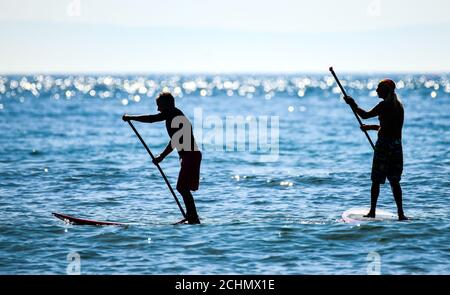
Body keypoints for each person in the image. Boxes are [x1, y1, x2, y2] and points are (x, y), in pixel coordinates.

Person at [122, 92, 202, 224]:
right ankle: (192, 217)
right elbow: (174, 140)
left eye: (159, 106)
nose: (158, 109)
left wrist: (131, 117)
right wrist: (162, 156)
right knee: (183, 188)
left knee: (182, 188)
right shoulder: (173, 115)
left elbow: (152, 119)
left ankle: (193, 217)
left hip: (191, 156)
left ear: (168, 105)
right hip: (189, 156)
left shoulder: (175, 115)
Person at [344, 79, 408, 221]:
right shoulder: (399, 106)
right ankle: (401, 214)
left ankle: (372, 211)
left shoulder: (384, 105)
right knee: (395, 181)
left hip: (384, 146)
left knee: (376, 180)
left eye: (379, 88)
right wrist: (370, 127)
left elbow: (364, 115)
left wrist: (352, 104)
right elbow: (389, 128)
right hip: (397, 146)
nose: (376, 90)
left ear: (386, 90)